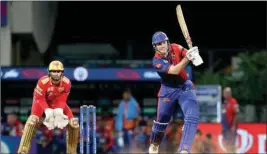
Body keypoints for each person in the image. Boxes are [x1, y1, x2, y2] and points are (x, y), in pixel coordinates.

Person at [148, 31, 203, 154]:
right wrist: (188, 58)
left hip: (184, 86)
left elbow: (190, 56)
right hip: (168, 90)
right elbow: (174, 70)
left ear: (167, 42)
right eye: (158, 44)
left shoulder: (176, 47)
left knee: (192, 116)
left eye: (163, 43)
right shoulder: (156, 61)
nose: (161, 46)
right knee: (162, 120)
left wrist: (194, 55)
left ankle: (184, 149)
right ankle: (155, 143)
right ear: (155, 47)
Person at [17, 60, 79, 154]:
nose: (56, 74)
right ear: (49, 72)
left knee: (74, 124)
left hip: (57, 103)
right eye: (53, 71)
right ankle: (23, 151)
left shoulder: (67, 82)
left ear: (62, 73)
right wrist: (48, 111)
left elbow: (62, 99)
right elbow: (40, 99)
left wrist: (58, 112)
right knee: (32, 121)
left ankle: (72, 152)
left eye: (58, 72)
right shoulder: (42, 82)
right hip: (40, 103)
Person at [221, 87, 239, 153]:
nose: (223, 95)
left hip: (231, 126)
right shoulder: (225, 102)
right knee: (226, 142)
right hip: (226, 126)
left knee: (231, 143)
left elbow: (236, 114)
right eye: (223, 93)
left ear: (229, 93)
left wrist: (234, 126)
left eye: (225, 93)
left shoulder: (233, 101)